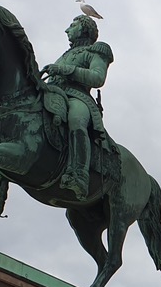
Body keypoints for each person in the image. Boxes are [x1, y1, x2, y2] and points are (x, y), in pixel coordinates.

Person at [42, 14, 112, 198]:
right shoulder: (65, 55)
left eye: (72, 25)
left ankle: (79, 175)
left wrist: (66, 70)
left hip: (77, 97)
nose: (67, 30)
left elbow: (98, 78)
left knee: (76, 120)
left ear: (84, 28)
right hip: (54, 94)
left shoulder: (96, 51)